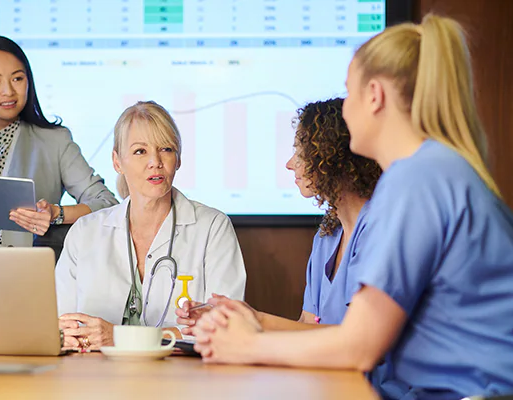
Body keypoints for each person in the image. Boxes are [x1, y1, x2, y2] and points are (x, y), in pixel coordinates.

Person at [191, 15, 513, 399]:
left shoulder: (417, 180)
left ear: (375, 95)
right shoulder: (435, 170)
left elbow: (359, 346)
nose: (344, 112)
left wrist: (245, 346)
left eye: (349, 92)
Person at [176, 98, 382, 332]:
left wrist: (257, 321)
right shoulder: (328, 236)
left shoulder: (379, 232)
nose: (289, 164)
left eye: (300, 153)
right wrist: (239, 322)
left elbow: (355, 339)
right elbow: (306, 325)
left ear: (331, 158)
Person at [55, 101, 246, 352]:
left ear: (178, 159)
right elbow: (62, 324)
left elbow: (226, 328)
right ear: (117, 162)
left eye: (166, 149)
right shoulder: (85, 232)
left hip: (184, 381)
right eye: (139, 151)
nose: (155, 162)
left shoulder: (212, 228)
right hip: (96, 378)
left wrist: (119, 337)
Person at [0, 35, 117, 247]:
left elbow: (106, 203)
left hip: (31, 274)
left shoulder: (55, 141)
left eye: (17, 78)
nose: (8, 91)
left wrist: (57, 213)